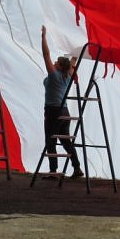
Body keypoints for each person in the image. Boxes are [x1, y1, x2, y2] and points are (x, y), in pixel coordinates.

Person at [41, 24, 84, 179]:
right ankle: (77, 167)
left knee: (50, 140)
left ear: (59, 67)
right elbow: (73, 62)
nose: (53, 62)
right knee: (66, 141)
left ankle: (53, 171)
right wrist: (77, 50)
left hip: (53, 111)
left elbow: (45, 54)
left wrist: (43, 37)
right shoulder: (68, 76)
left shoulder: (55, 76)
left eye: (56, 62)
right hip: (64, 112)